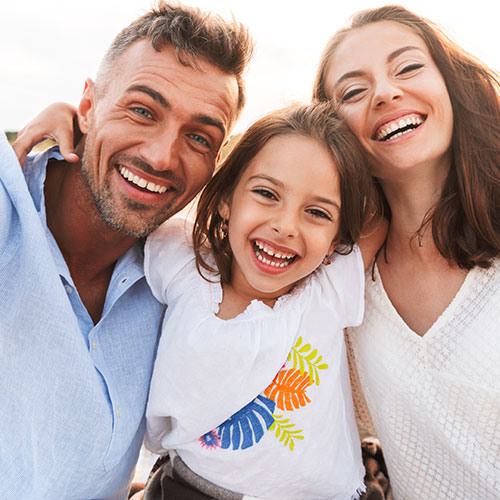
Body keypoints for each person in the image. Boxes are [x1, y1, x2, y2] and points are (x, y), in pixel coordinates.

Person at [0, 2, 252, 499]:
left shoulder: (187, 277)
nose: (161, 156)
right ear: (87, 108)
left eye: (198, 137)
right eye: (141, 110)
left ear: (217, 163)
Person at [135, 102, 382, 499]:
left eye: (317, 212)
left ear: (337, 240)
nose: (285, 226)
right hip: (186, 488)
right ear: (225, 198)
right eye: (266, 193)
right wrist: (74, 123)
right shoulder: (181, 260)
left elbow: (395, 199)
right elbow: (117, 203)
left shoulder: (327, 290)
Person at [312, 5, 500, 499]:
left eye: (409, 67)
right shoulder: (344, 284)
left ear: (450, 84)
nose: (386, 93)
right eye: (354, 91)